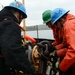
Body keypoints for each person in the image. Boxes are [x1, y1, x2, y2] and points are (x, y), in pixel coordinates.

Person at [0, 1, 35, 75]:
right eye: (22, 18)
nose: (20, 21)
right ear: (18, 14)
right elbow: (12, 51)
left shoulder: (2, 23)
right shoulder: (10, 25)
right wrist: (29, 68)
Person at [51, 8, 75, 75]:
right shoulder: (72, 22)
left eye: (56, 24)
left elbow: (73, 50)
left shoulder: (68, 25)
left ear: (61, 20)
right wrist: (55, 49)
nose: (56, 27)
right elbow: (65, 44)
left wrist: (62, 67)